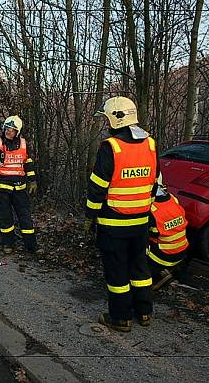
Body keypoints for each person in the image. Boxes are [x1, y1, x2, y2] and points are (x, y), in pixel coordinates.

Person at [84, 97, 159, 332]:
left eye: (107, 118)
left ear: (117, 118)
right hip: (141, 223)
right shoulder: (151, 145)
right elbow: (156, 183)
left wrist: (89, 215)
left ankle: (120, 317)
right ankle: (144, 312)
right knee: (140, 268)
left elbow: (97, 187)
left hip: (113, 223)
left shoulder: (111, 147)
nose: (106, 123)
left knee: (117, 271)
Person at [0, 115, 40, 254]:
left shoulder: (24, 144)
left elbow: (28, 164)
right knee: (6, 218)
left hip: (19, 188)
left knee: (25, 217)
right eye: (7, 128)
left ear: (17, 132)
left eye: (12, 129)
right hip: (1, 188)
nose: (9, 131)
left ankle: (31, 246)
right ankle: (8, 244)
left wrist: (32, 181)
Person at [147, 184, 189, 282]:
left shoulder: (152, 209)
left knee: (134, 242)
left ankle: (158, 275)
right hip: (182, 251)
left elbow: (149, 233)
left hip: (163, 256)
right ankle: (173, 270)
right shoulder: (173, 200)